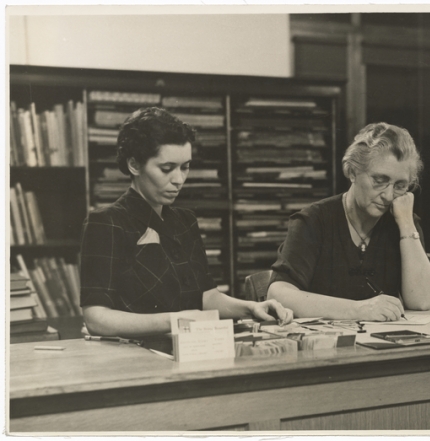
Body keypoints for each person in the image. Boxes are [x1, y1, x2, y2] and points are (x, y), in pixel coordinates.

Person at [80, 107, 293, 337]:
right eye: (167, 168)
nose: (179, 180)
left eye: (185, 167)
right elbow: (96, 318)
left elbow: (207, 297)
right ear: (134, 165)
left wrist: (251, 307)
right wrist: (177, 321)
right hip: (136, 355)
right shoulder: (106, 222)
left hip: (191, 348)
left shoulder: (185, 220)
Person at [267, 122, 430, 322]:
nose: (389, 195)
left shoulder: (403, 222)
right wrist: (357, 310)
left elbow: (422, 302)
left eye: (400, 185)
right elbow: (278, 294)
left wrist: (407, 225)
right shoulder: (313, 221)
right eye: (379, 180)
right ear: (352, 172)